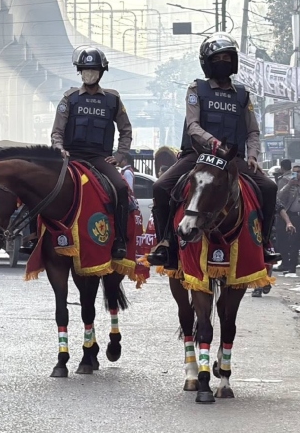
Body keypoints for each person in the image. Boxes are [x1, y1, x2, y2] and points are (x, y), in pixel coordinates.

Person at [148, 32, 280, 267]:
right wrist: (213, 142)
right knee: (160, 187)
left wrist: (252, 155)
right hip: (198, 156)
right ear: (207, 64)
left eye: (227, 58)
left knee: (269, 187)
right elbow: (193, 126)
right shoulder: (196, 89)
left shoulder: (242, 94)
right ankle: (165, 242)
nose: (223, 63)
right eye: (217, 59)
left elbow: (252, 131)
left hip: (232, 159)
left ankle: (266, 242)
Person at [51, 46, 133, 260]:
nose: (89, 74)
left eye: (93, 71)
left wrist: (120, 155)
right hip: (72, 157)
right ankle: (36, 237)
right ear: (80, 72)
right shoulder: (69, 98)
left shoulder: (113, 100)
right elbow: (57, 132)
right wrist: (59, 149)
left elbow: (126, 131)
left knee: (121, 188)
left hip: (99, 158)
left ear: (101, 73)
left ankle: (120, 241)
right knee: (45, 185)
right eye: (85, 71)